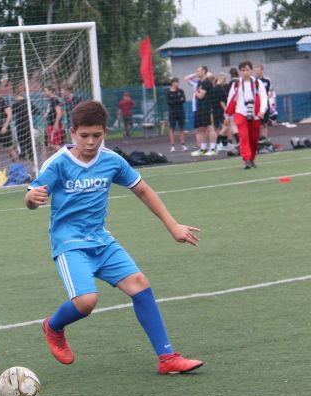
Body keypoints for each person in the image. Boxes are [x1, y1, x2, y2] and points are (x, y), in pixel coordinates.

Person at [24, 100, 203, 375]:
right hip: (69, 244)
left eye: (97, 135)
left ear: (105, 132)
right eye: (84, 135)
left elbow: (143, 190)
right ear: (72, 132)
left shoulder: (112, 161)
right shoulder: (58, 163)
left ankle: (167, 358)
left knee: (140, 285)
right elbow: (31, 196)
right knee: (86, 302)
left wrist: (172, 226)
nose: (91, 142)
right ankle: (53, 326)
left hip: (101, 241)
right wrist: (31, 199)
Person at [226, 61, 268, 170]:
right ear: (240, 72)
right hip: (240, 113)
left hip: (255, 114)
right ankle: (247, 159)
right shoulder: (236, 84)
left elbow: (264, 97)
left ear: (251, 70)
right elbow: (230, 99)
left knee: (254, 138)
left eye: (247, 70)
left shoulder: (258, 83)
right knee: (243, 136)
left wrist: (262, 111)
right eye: (243, 70)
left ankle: (252, 157)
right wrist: (227, 116)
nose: (245, 72)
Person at [185, 66, 217, 156]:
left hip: (207, 107)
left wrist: (195, 91)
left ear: (204, 71)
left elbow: (200, 96)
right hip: (199, 108)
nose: (197, 72)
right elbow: (187, 79)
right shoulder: (199, 82)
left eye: (198, 71)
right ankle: (203, 149)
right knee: (201, 128)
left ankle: (213, 149)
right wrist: (197, 91)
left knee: (210, 128)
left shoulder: (207, 82)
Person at [12, 93, 39, 165]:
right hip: (26, 124)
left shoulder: (17, 104)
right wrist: (30, 112)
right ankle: (30, 156)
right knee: (27, 140)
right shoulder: (27, 102)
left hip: (21, 124)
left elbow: (12, 112)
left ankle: (24, 155)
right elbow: (37, 111)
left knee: (21, 140)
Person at [166, 77, 188, 152]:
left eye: (178, 82)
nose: (178, 84)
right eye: (177, 82)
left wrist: (175, 101)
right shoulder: (168, 92)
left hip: (180, 112)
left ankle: (183, 145)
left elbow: (183, 100)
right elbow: (169, 102)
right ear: (173, 83)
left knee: (181, 128)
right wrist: (178, 100)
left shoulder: (181, 91)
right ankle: (173, 146)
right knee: (172, 129)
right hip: (172, 112)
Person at [253, 64, 273, 139]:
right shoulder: (253, 81)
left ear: (262, 71)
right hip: (256, 104)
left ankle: (264, 139)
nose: (256, 72)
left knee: (265, 123)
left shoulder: (267, 80)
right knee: (258, 123)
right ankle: (258, 139)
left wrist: (266, 98)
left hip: (265, 104)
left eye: (258, 70)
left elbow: (271, 91)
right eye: (255, 71)